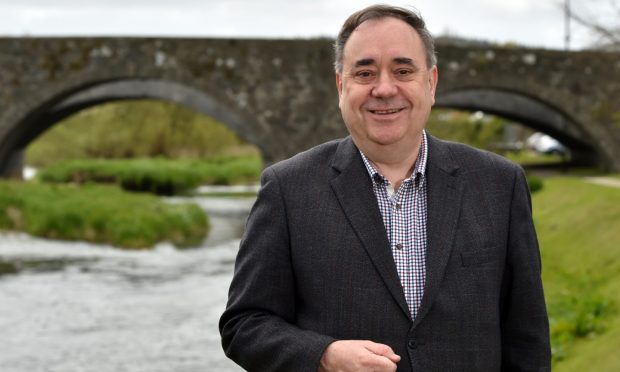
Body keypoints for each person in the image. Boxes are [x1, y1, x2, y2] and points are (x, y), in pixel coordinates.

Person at [220, 4, 551, 371]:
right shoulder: (287, 189)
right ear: (341, 85)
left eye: (403, 70)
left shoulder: (499, 185)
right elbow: (244, 325)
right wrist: (323, 356)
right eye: (364, 73)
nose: (384, 88)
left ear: (431, 82)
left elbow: (528, 340)